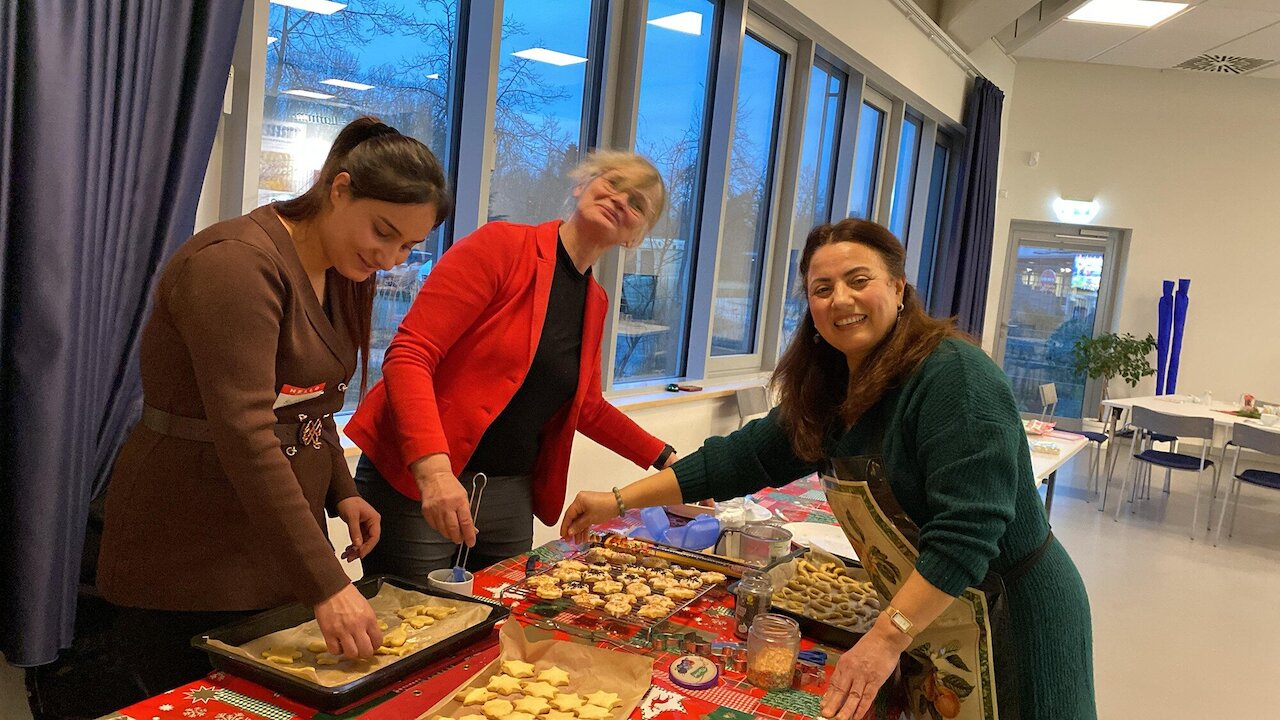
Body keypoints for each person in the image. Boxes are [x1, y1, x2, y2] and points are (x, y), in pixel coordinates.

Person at [561, 219, 1096, 720]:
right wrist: (620, 500)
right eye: (822, 288)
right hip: (934, 613)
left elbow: (967, 533)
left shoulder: (953, 376)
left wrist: (885, 638)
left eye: (858, 280)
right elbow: (742, 458)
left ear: (899, 287)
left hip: (1011, 617)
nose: (840, 299)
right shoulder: (833, 383)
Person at [95, 117, 451, 698]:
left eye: (408, 246)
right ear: (338, 190)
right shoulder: (235, 263)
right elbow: (249, 432)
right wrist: (327, 582)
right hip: (192, 544)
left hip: (271, 544)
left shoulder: (342, 271)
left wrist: (342, 490)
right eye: (383, 232)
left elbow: (312, 403)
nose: (390, 258)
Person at [344, 150, 679, 578]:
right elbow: (410, 353)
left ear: (636, 237)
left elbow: (587, 406)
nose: (620, 200)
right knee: (410, 625)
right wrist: (434, 472)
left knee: (496, 623)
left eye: (637, 204)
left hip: (510, 494)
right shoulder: (501, 245)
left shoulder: (594, 302)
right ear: (581, 186)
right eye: (614, 183)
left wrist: (666, 459)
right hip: (419, 480)